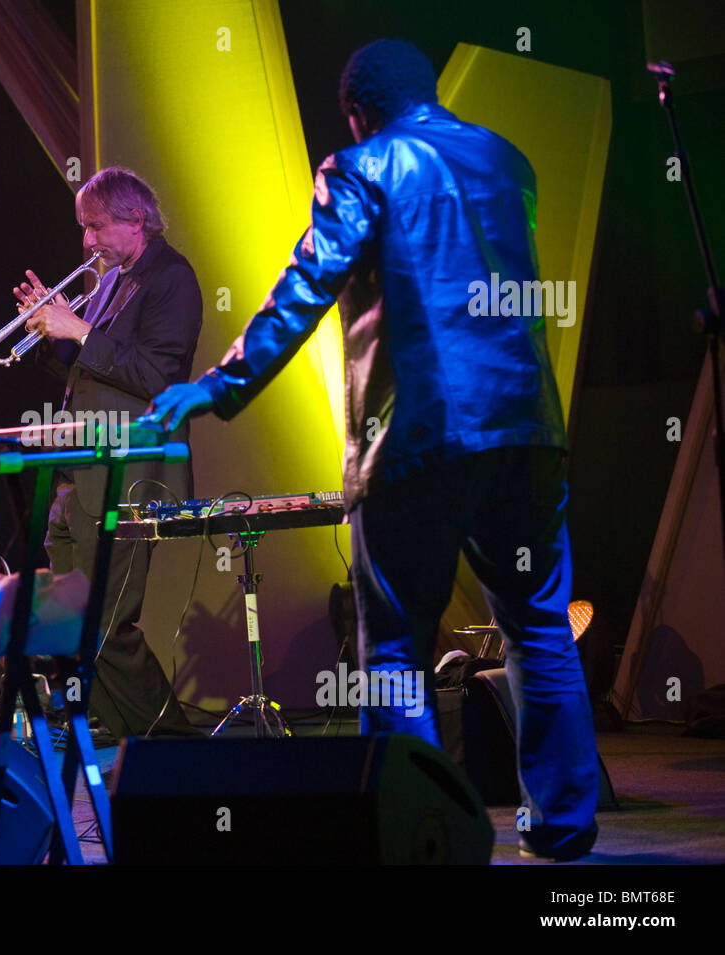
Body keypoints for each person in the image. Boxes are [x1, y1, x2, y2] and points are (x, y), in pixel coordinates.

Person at [146, 40, 599, 859]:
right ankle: (563, 830)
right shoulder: (507, 159)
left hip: (419, 436)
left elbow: (306, 285)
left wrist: (217, 386)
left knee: (393, 647)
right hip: (528, 432)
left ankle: (425, 835)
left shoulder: (361, 166)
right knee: (540, 626)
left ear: (359, 112)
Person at [16, 166, 203, 738]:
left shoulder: (171, 280)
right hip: (81, 475)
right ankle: (121, 737)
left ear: (135, 219)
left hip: (131, 478)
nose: (86, 242)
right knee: (68, 623)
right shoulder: (114, 281)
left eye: (95, 227)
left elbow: (158, 376)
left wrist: (79, 332)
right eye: (83, 228)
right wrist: (52, 337)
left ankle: (175, 747)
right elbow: (90, 376)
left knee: (105, 625)